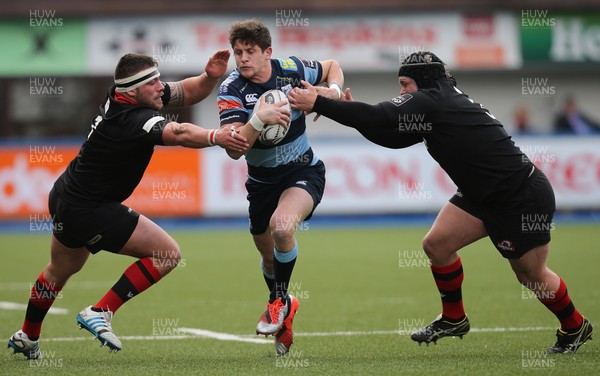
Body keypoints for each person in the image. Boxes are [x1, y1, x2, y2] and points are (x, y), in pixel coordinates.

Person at [288, 51, 593, 354]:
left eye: (405, 84)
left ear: (421, 80)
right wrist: (347, 111)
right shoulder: (437, 100)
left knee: (530, 275)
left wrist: (319, 103)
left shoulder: (430, 100)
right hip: (482, 195)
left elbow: (378, 115)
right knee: (437, 245)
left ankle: (575, 326)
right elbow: (391, 137)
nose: (402, 91)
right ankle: (453, 318)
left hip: (520, 197)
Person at [7, 50, 288, 359]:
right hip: (89, 206)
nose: (161, 87)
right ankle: (101, 310)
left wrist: (210, 76)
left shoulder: (129, 93)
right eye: (153, 83)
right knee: (167, 253)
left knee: (59, 270)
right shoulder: (131, 118)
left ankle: (28, 336)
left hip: (66, 196)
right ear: (134, 89)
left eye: (158, 80)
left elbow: (186, 91)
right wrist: (215, 135)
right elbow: (179, 132)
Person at [217, 19, 344, 356]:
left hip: (302, 172)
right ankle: (286, 309)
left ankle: (276, 302)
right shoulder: (231, 90)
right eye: (237, 52)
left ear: (267, 53)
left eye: (250, 52)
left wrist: (327, 94)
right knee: (269, 259)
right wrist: (259, 119)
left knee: (282, 228)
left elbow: (332, 67)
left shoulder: (289, 68)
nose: (242, 58)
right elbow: (233, 149)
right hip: (260, 184)